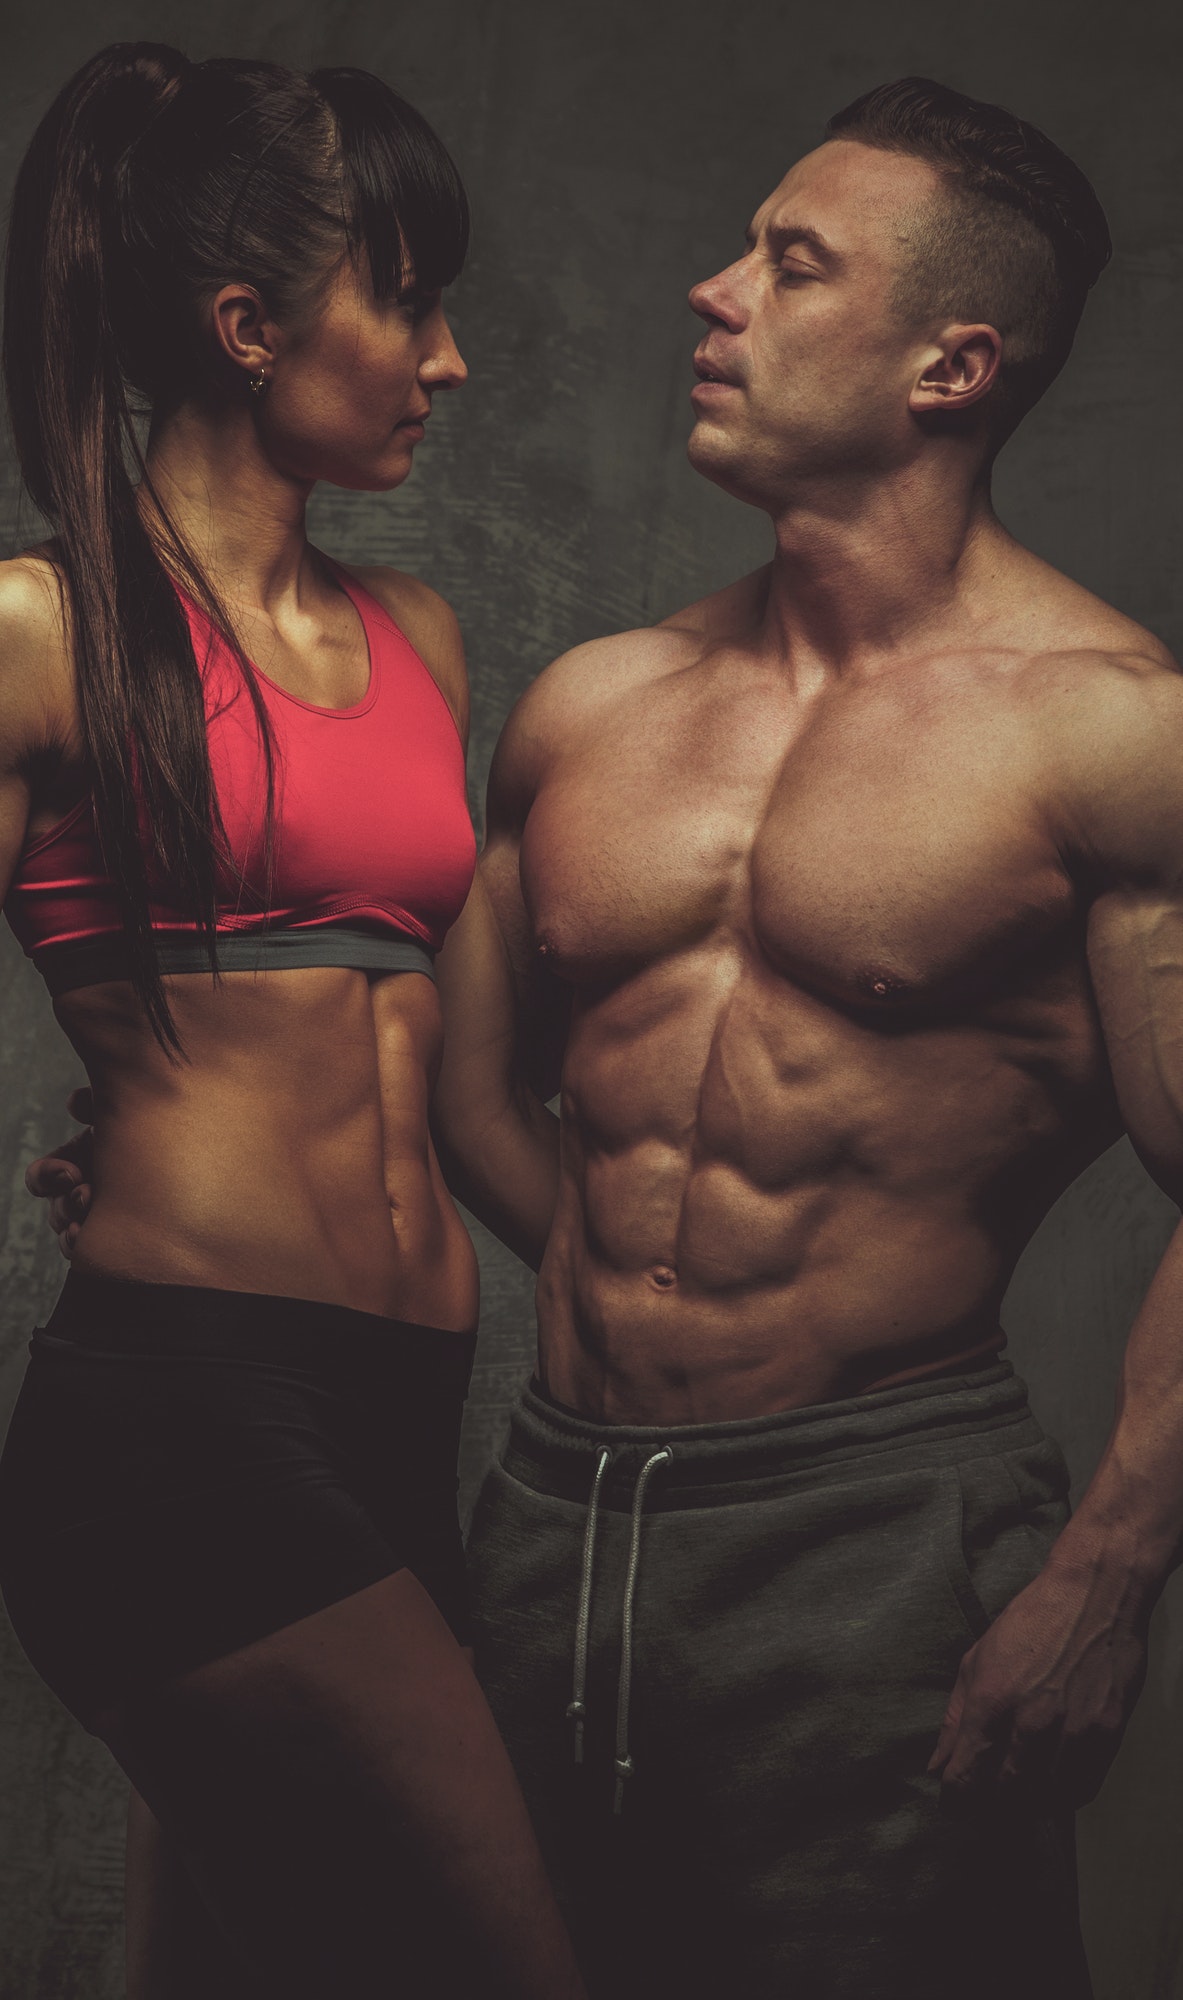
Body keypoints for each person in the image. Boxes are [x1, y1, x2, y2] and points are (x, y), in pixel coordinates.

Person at [29, 73, 1178, 2000]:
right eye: (737, 247)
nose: (714, 294)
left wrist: (1106, 1578)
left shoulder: (1112, 733)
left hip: (873, 1521)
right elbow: (449, 1078)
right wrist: (149, 1118)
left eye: (790, 266)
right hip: (552, 1505)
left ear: (951, 364)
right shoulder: (593, 707)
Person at [0, 41, 584, 2000]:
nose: (447, 360)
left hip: (399, 1414)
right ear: (248, 324)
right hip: (184, 1422)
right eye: (407, 298)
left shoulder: (418, 636)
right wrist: (117, 1118)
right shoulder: (38, 626)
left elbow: (464, 1072)